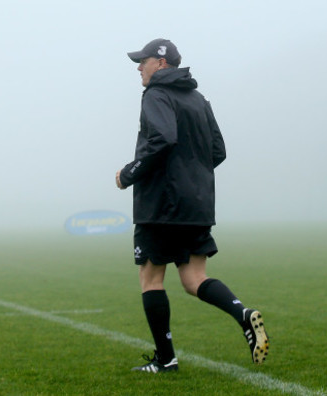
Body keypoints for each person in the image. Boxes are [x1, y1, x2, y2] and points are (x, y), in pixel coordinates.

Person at [116, 38, 269, 372]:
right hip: (197, 203)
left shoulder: (156, 94)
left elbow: (163, 139)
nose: (139, 68)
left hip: (161, 205)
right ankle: (242, 314)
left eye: (143, 61)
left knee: (151, 278)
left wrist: (130, 173)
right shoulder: (199, 98)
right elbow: (218, 151)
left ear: (162, 63)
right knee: (194, 278)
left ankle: (166, 359)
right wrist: (191, 177)